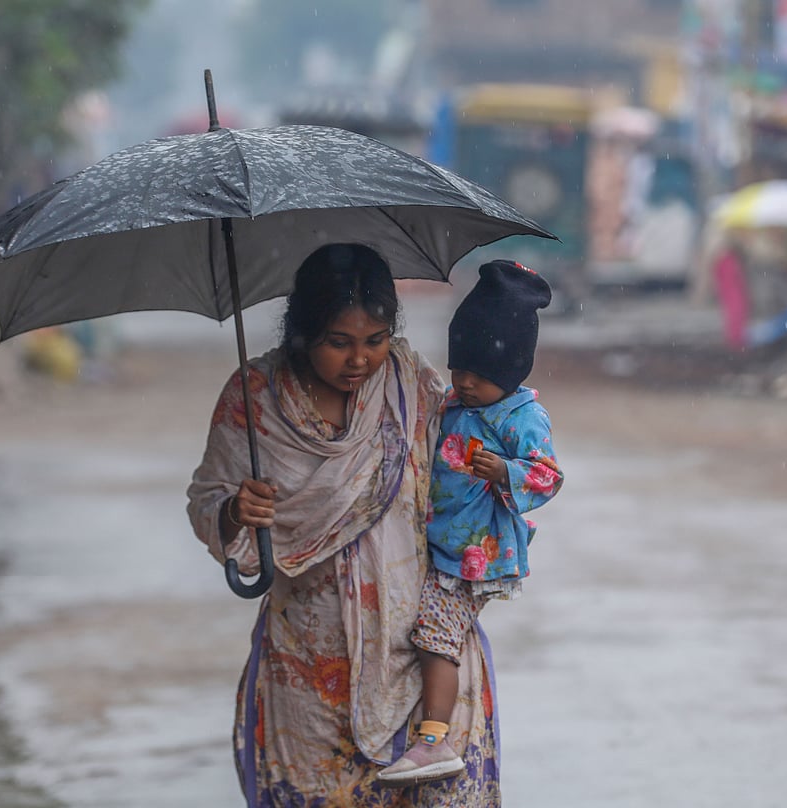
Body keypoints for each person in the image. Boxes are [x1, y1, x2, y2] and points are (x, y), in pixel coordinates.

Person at [187, 243, 504, 805]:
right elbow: (207, 500)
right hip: (311, 666)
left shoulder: (410, 383)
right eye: (340, 343)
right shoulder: (254, 397)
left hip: (424, 653)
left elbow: (461, 477)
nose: (360, 360)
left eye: (374, 341)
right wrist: (238, 510)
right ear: (304, 333)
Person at [377, 260, 564, 787]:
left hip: (477, 553)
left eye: (479, 375)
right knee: (415, 629)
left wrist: (507, 470)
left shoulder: (522, 416)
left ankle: (433, 740)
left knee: (436, 634)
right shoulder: (456, 403)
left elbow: (548, 476)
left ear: (511, 371)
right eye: (459, 369)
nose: (464, 382)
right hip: (438, 541)